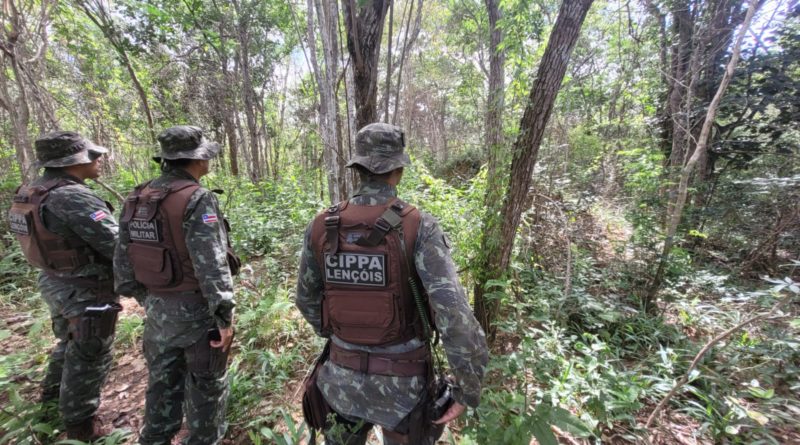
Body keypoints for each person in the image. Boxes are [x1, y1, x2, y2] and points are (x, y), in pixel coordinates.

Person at [296, 122, 489, 444]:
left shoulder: (321, 225)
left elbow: (306, 299)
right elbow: (452, 312)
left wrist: (347, 333)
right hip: (405, 388)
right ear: (398, 169)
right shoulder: (418, 226)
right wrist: (467, 386)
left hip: (340, 381)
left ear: (358, 167)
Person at [114, 125, 238, 445]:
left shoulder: (137, 197)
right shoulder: (196, 198)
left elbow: (122, 263)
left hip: (156, 310)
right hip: (197, 313)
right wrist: (224, 317)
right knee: (207, 388)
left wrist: (150, 299)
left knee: (161, 385)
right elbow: (211, 264)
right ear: (197, 160)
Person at [9, 131, 120, 440]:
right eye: (91, 156)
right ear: (73, 162)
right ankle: (80, 427)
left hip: (55, 282)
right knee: (90, 355)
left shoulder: (32, 191)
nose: (98, 160)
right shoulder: (71, 196)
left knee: (68, 344)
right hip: (84, 290)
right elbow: (117, 246)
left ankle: (48, 410)